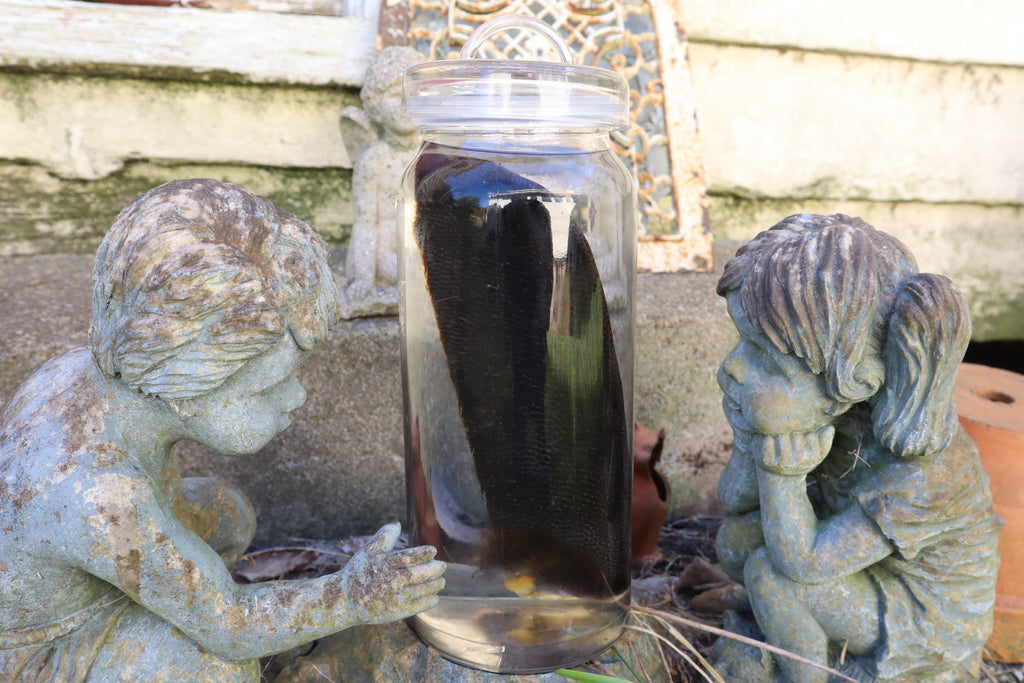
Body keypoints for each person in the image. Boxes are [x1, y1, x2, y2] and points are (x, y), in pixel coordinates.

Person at [0, 179, 444, 682]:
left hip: (84, 573)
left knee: (225, 513)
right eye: (268, 387)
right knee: (214, 665)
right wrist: (351, 596)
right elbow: (231, 625)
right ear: (185, 381)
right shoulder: (100, 497)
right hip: (43, 651)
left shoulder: (84, 377)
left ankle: (171, 609)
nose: (296, 397)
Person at [713, 214, 1001, 682]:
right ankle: (783, 630)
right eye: (742, 344)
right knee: (736, 542)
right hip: (847, 564)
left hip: (919, 617)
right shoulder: (837, 409)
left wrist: (782, 477)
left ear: (859, 383)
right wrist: (753, 432)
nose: (732, 369)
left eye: (764, 358)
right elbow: (734, 499)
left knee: (769, 575)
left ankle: (804, 673)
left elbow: (801, 563)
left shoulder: (926, 475)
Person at [339, 46, 425, 318]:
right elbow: (366, 223)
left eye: (413, 94)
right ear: (375, 104)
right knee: (410, 271)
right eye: (393, 95)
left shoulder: (431, 155)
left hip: (426, 248)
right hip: (385, 256)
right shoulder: (372, 161)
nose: (404, 104)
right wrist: (363, 279)